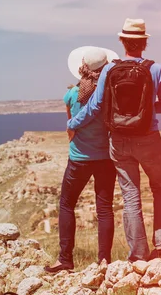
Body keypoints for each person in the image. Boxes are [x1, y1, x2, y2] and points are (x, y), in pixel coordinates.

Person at [67, 18, 161, 262]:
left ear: (122, 42)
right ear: (144, 42)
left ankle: (138, 254)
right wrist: (145, 109)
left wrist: (72, 124)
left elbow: (96, 106)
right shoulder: (156, 69)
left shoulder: (108, 70)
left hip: (118, 140)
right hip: (148, 138)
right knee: (160, 188)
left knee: (130, 195)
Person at [45, 46, 119, 273]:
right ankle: (104, 261)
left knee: (67, 204)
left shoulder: (71, 95)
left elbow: (71, 131)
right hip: (106, 158)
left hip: (78, 158)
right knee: (105, 208)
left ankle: (65, 259)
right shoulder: (109, 95)